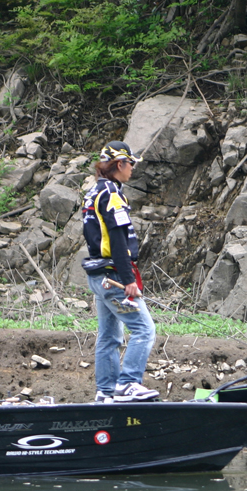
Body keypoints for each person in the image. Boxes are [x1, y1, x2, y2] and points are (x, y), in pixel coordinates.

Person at [81, 141, 159, 402]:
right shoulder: (112, 194)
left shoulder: (93, 192)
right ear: (119, 164)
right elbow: (116, 241)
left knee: (109, 336)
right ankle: (127, 384)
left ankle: (105, 392)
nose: (133, 169)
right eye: (131, 164)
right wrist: (128, 280)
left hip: (98, 277)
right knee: (144, 330)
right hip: (114, 277)